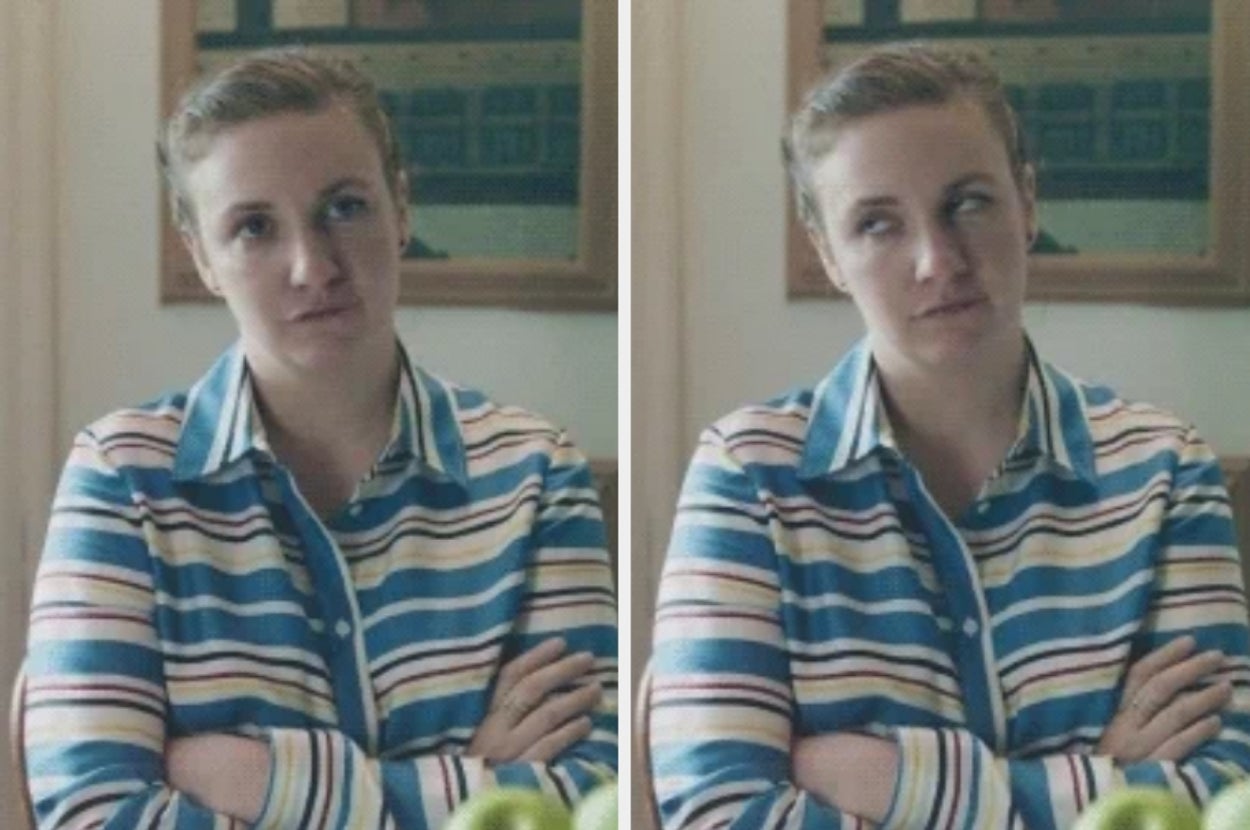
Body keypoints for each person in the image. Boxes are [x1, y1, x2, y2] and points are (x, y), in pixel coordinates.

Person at [649, 42, 1250, 830]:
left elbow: (1221, 798)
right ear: (828, 254)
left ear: (1027, 205)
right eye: (877, 223)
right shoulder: (749, 471)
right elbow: (719, 814)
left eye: (966, 203)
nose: (937, 260)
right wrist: (1102, 779)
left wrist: (892, 780)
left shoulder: (1165, 467)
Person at [24, 49, 616, 829]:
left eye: (344, 207)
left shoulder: (536, 470)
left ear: (401, 211)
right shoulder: (122, 476)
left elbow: (593, 798)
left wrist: (263, 780)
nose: (312, 266)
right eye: (254, 227)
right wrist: (470, 779)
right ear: (201, 256)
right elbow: (93, 814)